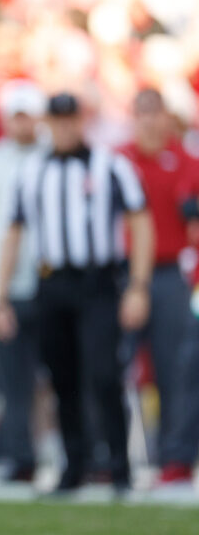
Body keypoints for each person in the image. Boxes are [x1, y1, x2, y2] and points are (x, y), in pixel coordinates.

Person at [0, 92, 153, 495]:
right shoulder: (31, 171)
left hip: (98, 282)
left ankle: (119, 467)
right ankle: (73, 466)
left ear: (83, 121)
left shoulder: (111, 164)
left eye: (70, 119)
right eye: (57, 120)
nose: (64, 127)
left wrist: (138, 286)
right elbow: (12, 232)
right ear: (48, 123)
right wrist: (1, 295)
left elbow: (141, 223)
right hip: (51, 283)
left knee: (103, 373)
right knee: (62, 378)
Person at [118, 88, 199, 488]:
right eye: (141, 112)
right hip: (123, 271)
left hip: (171, 272)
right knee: (115, 365)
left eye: (155, 112)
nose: (149, 120)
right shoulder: (119, 159)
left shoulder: (186, 163)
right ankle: (113, 454)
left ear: (167, 117)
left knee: (174, 368)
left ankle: (174, 456)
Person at [0, 80, 49, 482]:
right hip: (7, 288)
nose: (24, 123)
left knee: (63, 374)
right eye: (17, 115)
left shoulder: (54, 158)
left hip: (49, 284)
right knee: (12, 380)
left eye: (29, 114)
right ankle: (22, 456)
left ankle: (79, 453)